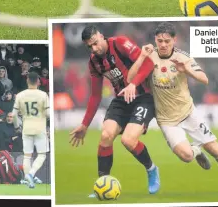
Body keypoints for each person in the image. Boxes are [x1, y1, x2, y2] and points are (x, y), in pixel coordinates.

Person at [127, 22, 218, 193]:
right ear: (155, 39)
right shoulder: (149, 56)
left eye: (167, 41)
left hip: (188, 113)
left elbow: (204, 78)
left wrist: (186, 70)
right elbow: (130, 79)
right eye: (159, 40)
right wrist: (140, 57)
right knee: (186, 156)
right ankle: (197, 151)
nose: (163, 44)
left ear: (174, 40)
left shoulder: (183, 57)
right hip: (167, 119)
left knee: (214, 148)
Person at [69, 24, 160, 195]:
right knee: (105, 135)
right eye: (90, 46)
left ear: (102, 36)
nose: (94, 49)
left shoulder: (120, 43)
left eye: (96, 43)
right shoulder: (93, 63)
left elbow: (148, 63)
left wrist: (133, 84)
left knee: (128, 140)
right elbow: (95, 95)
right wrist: (84, 125)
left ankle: (151, 169)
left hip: (143, 98)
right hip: (121, 99)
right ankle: (101, 184)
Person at [11, 70, 49, 188]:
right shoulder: (43, 95)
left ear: (27, 80)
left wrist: (17, 126)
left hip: (26, 129)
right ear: (38, 81)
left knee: (27, 156)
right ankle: (31, 174)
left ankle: (28, 179)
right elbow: (48, 113)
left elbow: (13, 115)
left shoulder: (20, 95)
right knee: (42, 154)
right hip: (40, 128)